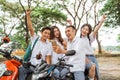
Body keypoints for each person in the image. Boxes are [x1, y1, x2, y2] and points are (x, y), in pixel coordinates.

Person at [18, 9, 52, 80]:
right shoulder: (35, 38)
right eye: (45, 33)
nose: (47, 35)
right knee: (21, 70)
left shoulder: (49, 45)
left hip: (40, 68)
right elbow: (31, 28)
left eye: (48, 34)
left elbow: (48, 58)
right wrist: (28, 15)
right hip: (30, 66)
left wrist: (48, 68)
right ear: (41, 33)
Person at [80, 15, 107, 80]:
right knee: (90, 70)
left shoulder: (89, 38)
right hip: (84, 58)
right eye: (83, 29)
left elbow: (96, 30)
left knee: (96, 75)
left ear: (88, 32)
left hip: (93, 57)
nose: (84, 30)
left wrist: (101, 21)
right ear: (81, 29)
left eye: (87, 30)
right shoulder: (78, 39)